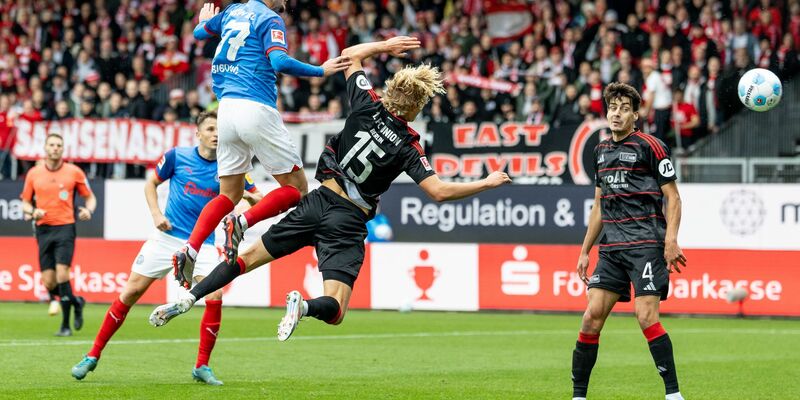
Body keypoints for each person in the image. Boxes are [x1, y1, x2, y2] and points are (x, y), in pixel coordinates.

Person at [148, 36, 512, 342]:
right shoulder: (408, 145)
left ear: (390, 91)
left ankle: (188, 297)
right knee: (335, 309)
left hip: (317, 199)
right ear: (417, 106)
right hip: (348, 221)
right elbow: (439, 192)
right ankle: (303, 306)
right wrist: (488, 182)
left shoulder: (366, 103)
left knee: (244, 260)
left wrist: (386, 45)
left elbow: (350, 55)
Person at [70, 112, 262, 384]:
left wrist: (239, 208)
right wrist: (156, 214)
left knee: (215, 295)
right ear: (198, 133)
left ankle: (202, 366)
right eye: (210, 128)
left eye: (219, 129)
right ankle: (92, 355)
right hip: (167, 238)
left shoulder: (232, 167)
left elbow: (258, 199)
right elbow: (151, 184)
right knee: (131, 291)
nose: (215, 134)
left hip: (204, 243)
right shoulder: (176, 156)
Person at [173, 1, 352, 290]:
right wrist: (321, 71)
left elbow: (197, 33)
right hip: (255, 106)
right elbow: (279, 62)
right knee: (296, 189)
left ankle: (190, 248)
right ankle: (242, 223)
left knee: (228, 194)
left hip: (226, 110)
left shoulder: (232, 11)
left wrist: (202, 22)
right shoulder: (269, 19)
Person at [571, 82, 687, 400]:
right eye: (613, 108)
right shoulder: (600, 151)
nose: (617, 113)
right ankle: (578, 396)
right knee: (591, 317)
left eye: (624, 108)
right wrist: (584, 251)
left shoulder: (652, 146)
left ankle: (673, 395)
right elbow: (598, 205)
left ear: (635, 114)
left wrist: (671, 240)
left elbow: (673, 198)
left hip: (646, 244)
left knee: (646, 315)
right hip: (611, 248)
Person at [20, 133, 97, 336]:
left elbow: (90, 198)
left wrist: (88, 210)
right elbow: (25, 202)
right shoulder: (34, 174)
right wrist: (31, 211)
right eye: (52, 145)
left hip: (65, 228)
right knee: (49, 282)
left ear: (63, 149)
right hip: (43, 229)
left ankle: (65, 326)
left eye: (59, 145)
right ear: (45, 148)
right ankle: (76, 301)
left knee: (63, 273)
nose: (55, 148)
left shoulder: (74, 172)